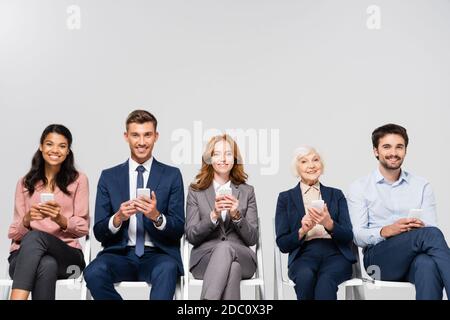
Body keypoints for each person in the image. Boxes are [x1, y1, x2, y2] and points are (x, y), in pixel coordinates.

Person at [83, 110, 184, 300]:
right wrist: (118, 217)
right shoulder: (109, 177)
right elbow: (98, 231)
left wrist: (157, 217)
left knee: (168, 269)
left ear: (156, 137)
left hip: (158, 255)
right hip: (119, 255)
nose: (142, 142)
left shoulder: (172, 175)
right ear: (126, 137)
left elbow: (178, 228)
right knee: (93, 272)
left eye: (147, 135)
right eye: (135, 135)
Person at [348, 123, 450, 300]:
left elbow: (431, 227)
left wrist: (414, 230)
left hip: (415, 255)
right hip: (379, 260)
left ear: (405, 151)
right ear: (376, 151)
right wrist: (385, 231)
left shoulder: (421, 185)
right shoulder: (360, 187)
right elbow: (356, 235)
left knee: (427, 265)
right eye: (386, 147)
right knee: (431, 235)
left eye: (399, 147)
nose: (393, 153)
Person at [7, 124, 89, 300]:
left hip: (68, 260)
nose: (55, 150)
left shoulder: (79, 180)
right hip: (23, 260)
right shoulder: (24, 183)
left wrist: (60, 219)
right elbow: (13, 232)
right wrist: (27, 220)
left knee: (36, 237)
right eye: (50, 144)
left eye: (62, 146)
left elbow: (83, 228)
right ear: (41, 146)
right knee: (47, 264)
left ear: (68, 151)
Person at [275, 146, 355, 300]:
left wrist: (329, 223)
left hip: (336, 254)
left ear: (322, 166)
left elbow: (348, 236)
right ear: (297, 169)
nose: (311, 165)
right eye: (304, 161)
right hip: (303, 254)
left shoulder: (336, 194)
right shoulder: (285, 198)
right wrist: (302, 230)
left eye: (315, 160)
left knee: (325, 282)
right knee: (305, 278)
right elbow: (283, 244)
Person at [185, 134, 258, 300]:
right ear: (209, 159)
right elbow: (191, 235)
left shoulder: (247, 192)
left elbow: (253, 238)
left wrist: (237, 216)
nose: (223, 159)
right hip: (204, 259)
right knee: (233, 269)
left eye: (228, 154)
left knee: (226, 249)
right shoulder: (196, 192)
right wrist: (213, 216)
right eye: (217, 154)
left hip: (242, 256)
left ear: (235, 158)